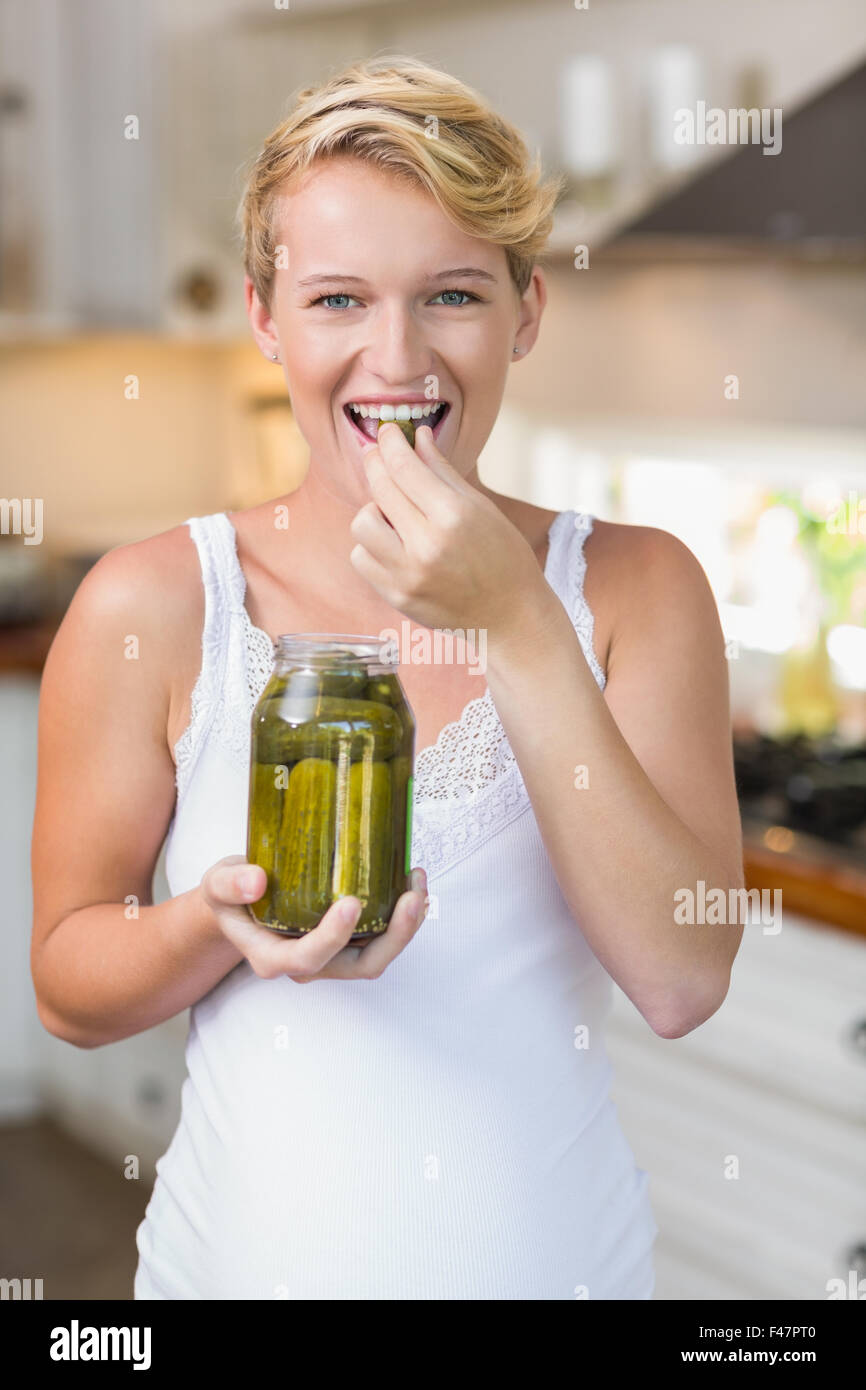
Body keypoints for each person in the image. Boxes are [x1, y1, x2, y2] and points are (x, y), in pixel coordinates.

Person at [31, 55, 745, 1300]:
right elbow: (68, 987)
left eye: (453, 294)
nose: (397, 358)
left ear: (527, 310)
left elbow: (681, 979)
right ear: (264, 317)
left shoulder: (634, 588)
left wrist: (516, 625)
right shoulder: (155, 601)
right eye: (337, 300)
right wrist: (215, 924)